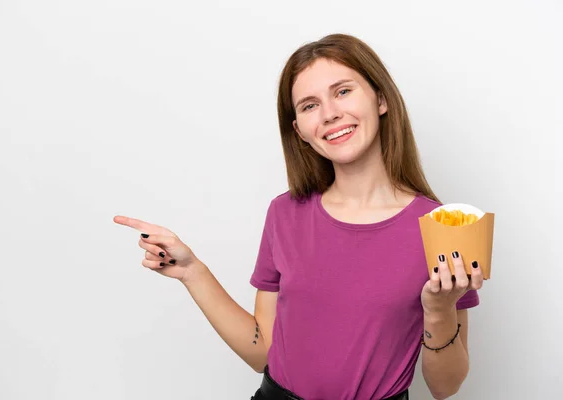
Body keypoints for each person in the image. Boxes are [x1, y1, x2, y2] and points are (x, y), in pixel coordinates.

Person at [114, 33, 484, 400]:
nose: (329, 114)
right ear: (300, 131)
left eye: (343, 91)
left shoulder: (442, 226)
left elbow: (444, 387)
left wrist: (439, 310)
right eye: (309, 106)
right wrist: (192, 272)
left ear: (381, 99)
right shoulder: (285, 213)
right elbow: (263, 352)